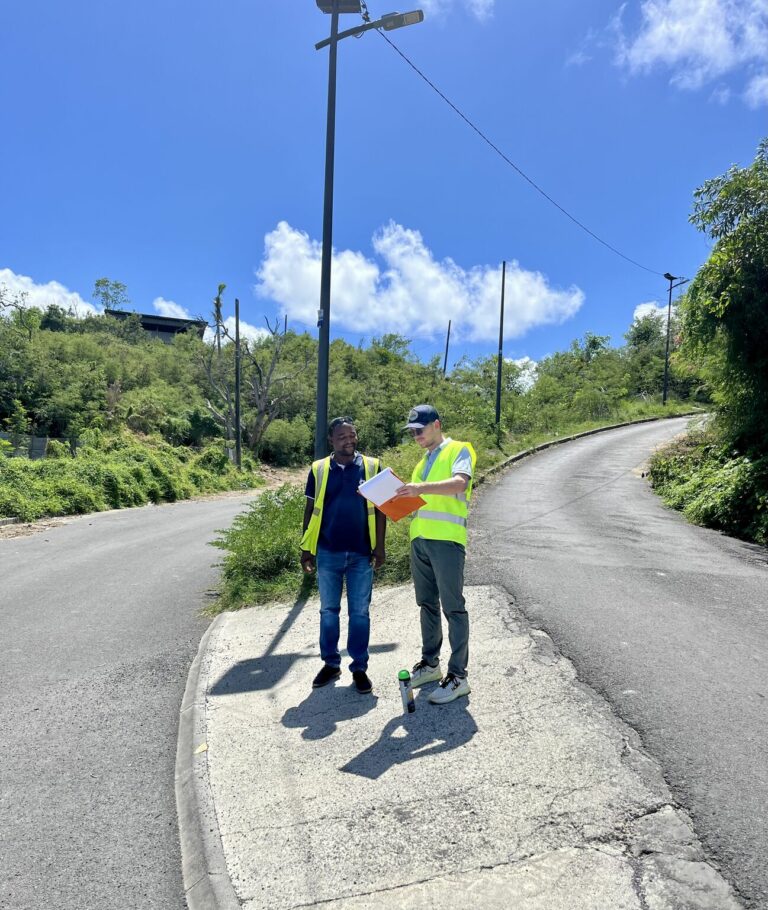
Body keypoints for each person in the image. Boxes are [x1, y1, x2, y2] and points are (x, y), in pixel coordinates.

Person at [394, 404, 476, 705]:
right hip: (421, 541)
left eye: (420, 430)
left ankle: (458, 677)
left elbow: (460, 483)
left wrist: (419, 488)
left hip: (447, 542)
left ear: (437, 425)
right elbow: (420, 500)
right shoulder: (421, 463)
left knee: (453, 608)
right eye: (412, 432)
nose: (416, 436)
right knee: (426, 604)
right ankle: (431, 665)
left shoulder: (459, 449)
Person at [300, 416, 386, 694]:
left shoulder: (373, 466)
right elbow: (310, 509)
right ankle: (331, 663)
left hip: (362, 552)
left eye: (352, 435)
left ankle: (359, 668)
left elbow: (382, 508)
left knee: (359, 612)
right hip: (327, 552)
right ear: (331, 440)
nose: (349, 441)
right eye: (342, 437)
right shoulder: (318, 469)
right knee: (329, 611)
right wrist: (306, 549)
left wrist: (380, 546)